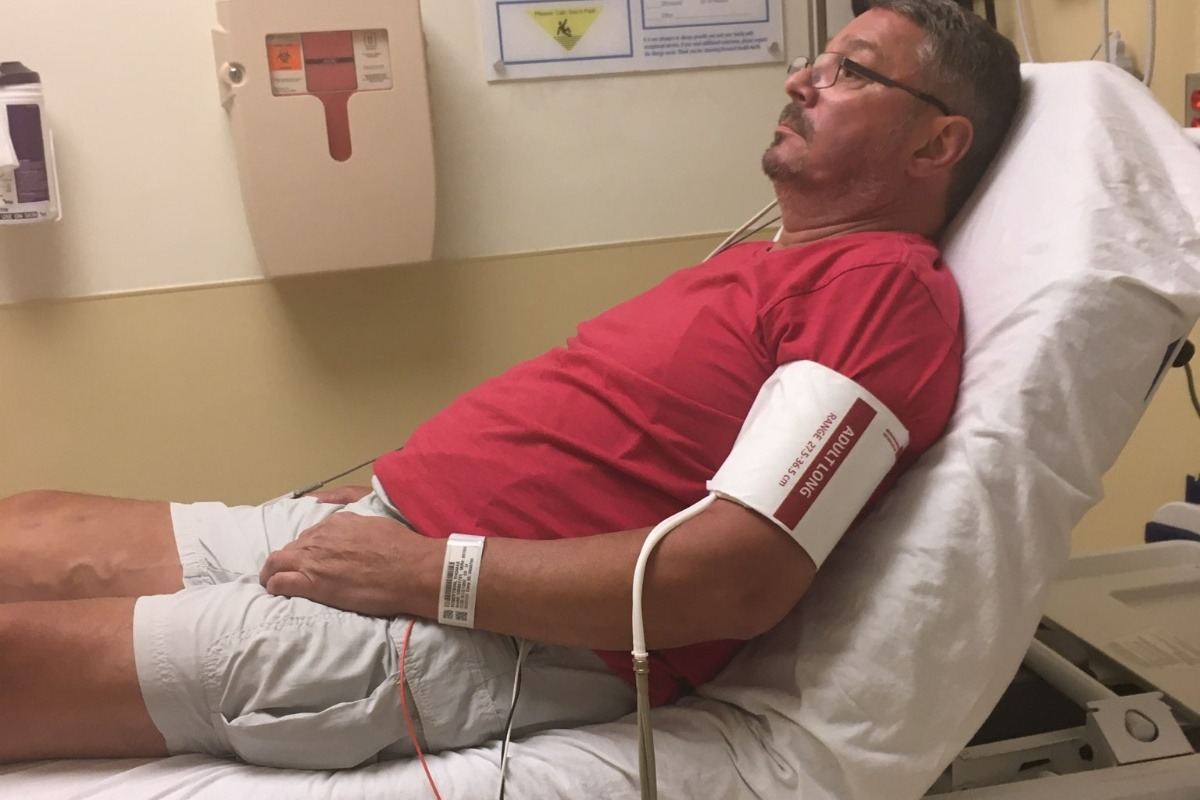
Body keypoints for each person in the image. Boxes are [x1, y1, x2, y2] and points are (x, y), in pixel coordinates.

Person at [0, 0, 1020, 770]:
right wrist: (403, 503)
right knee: (28, 527)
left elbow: (739, 578)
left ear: (937, 142)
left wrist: (426, 571)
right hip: (392, 532)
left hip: (479, 627)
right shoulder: (774, 263)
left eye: (851, 72)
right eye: (817, 59)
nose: (801, 79)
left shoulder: (883, 291)